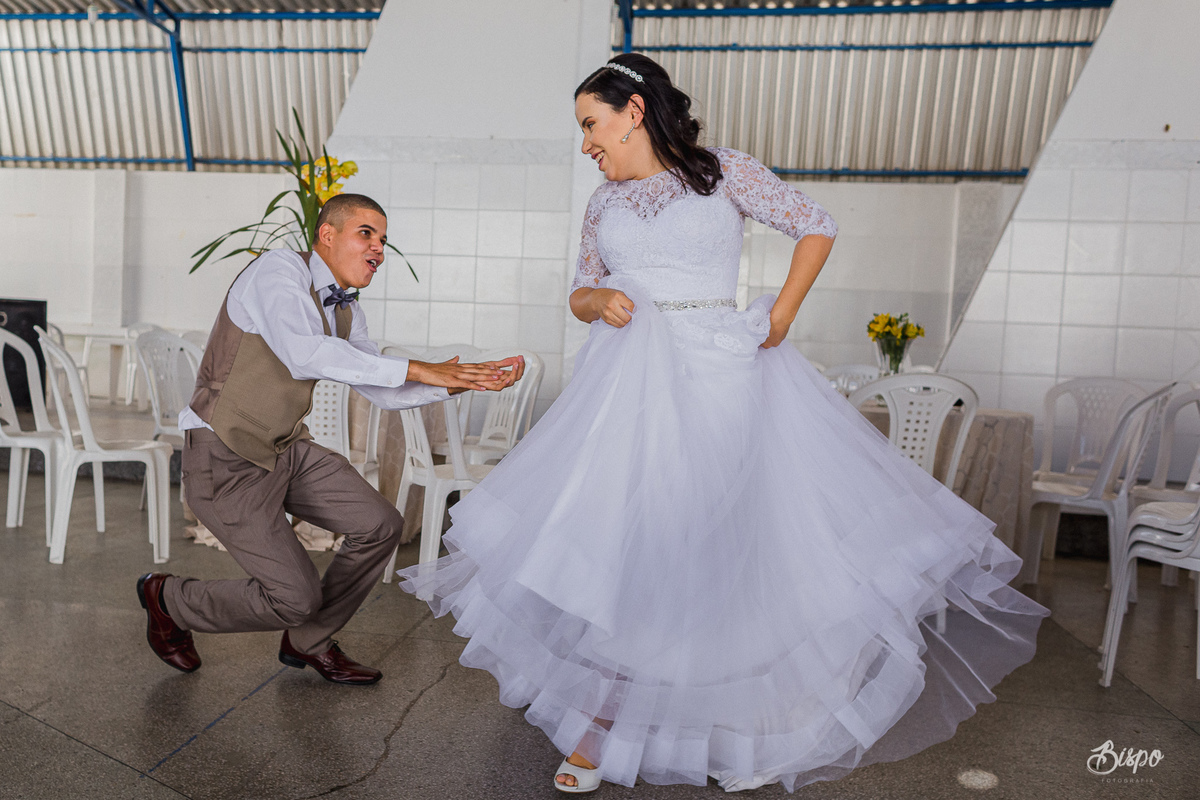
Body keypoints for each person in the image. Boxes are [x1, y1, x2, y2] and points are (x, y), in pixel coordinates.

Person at [399, 54, 1048, 792]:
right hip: (626, 391)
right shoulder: (603, 203)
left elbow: (816, 225)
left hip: (717, 378)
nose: (585, 144)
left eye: (590, 124)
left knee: (701, 544)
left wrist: (780, 316)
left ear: (633, 112)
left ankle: (707, 717)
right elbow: (579, 291)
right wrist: (598, 303)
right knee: (625, 544)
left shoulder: (722, 171)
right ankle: (602, 723)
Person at [137, 193, 524, 685]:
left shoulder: (346, 308)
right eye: (367, 233)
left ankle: (309, 640)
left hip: (286, 448)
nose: (379, 248)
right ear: (327, 234)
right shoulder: (278, 270)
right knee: (295, 597)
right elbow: (305, 353)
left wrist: (458, 382)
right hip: (226, 453)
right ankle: (169, 599)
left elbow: (378, 387)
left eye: (383, 239)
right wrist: (422, 367)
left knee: (379, 524)